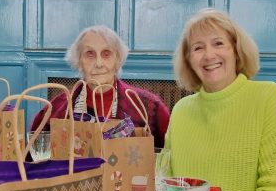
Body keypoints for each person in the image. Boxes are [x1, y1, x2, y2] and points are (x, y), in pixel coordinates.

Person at [167, 8, 276, 191]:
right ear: (189, 60)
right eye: (198, 48)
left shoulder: (269, 96)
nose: (209, 55)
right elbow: (167, 185)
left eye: (218, 43)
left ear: (237, 51)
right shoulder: (180, 110)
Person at [29, 25, 170, 148]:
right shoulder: (55, 110)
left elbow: (166, 158)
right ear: (78, 62)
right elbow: (31, 159)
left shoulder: (149, 107)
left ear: (118, 60)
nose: (98, 63)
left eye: (106, 54)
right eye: (90, 54)